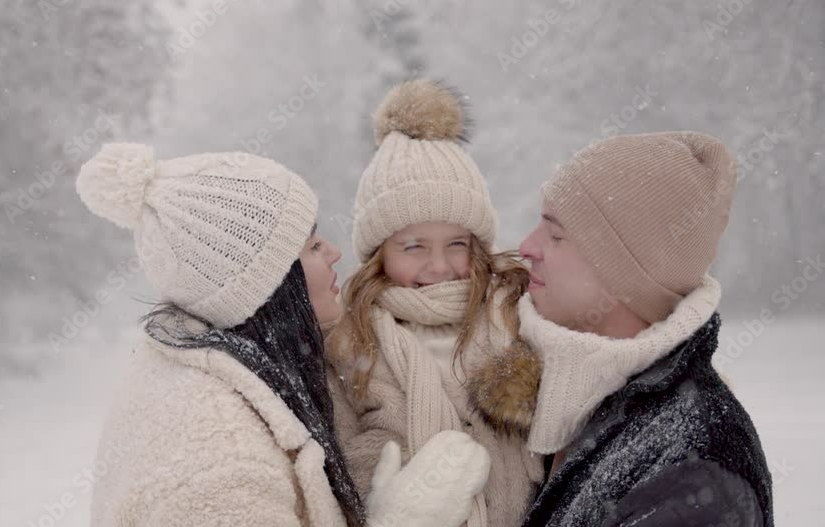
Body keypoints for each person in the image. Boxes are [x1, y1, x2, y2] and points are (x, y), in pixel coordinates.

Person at [77, 143, 492, 527]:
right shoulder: (221, 464)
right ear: (269, 284)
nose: (333, 251)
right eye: (311, 246)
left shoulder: (205, 377)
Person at [476, 131, 773, 526]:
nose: (527, 246)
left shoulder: (693, 467)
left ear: (624, 273)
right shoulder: (557, 408)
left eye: (556, 233)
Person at [327, 79, 544, 527]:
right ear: (379, 252)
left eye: (457, 244)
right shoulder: (354, 338)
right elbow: (346, 445)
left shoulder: (513, 312)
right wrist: (400, 481)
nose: (440, 266)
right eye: (414, 247)